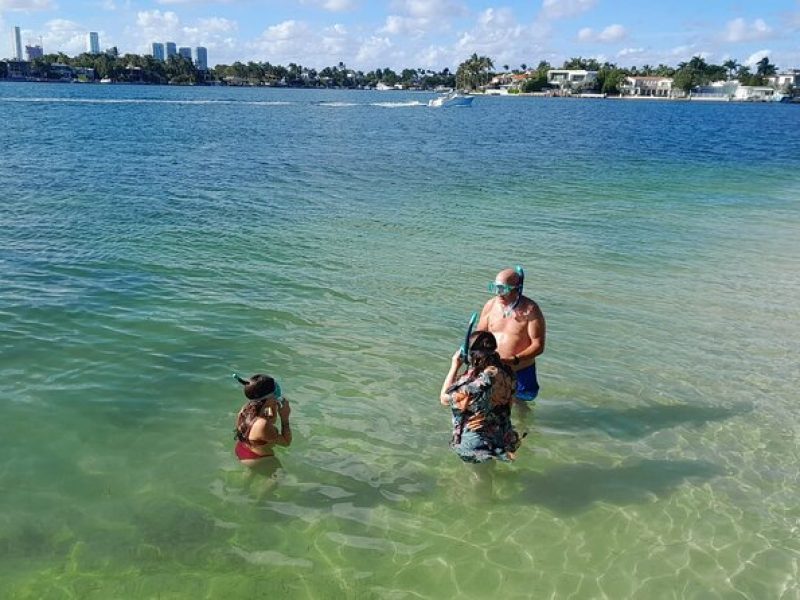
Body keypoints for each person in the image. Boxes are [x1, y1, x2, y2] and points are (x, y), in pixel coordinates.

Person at [439, 330, 521, 463]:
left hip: (476, 442)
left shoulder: (475, 382)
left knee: (479, 477)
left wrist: (454, 366)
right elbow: (509, 405)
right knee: (489, 471)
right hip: (501, 435)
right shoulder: (508, 373)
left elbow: (444, 398)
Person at [478, 267, 546, 404]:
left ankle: (524, 425)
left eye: (503, 289)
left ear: (517, 289)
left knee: (520, 404)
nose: (499, 293)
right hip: (494, 369)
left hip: (519, 370)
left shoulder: (531, 310)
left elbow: (538, 346)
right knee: (492, 404)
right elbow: (479, 336)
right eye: (495, 288)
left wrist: (515, 359)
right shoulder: (490, 305)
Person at [233, 374, 292, 466]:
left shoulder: (246, 409)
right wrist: (285, 417)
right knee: (279, 477)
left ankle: (249, 475)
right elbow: (286, 442)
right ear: (269, 396)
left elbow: (271, 420)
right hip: (257, 458)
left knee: (256, 472)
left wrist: (272, 405)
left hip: (242, 450)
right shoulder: (262, 425)